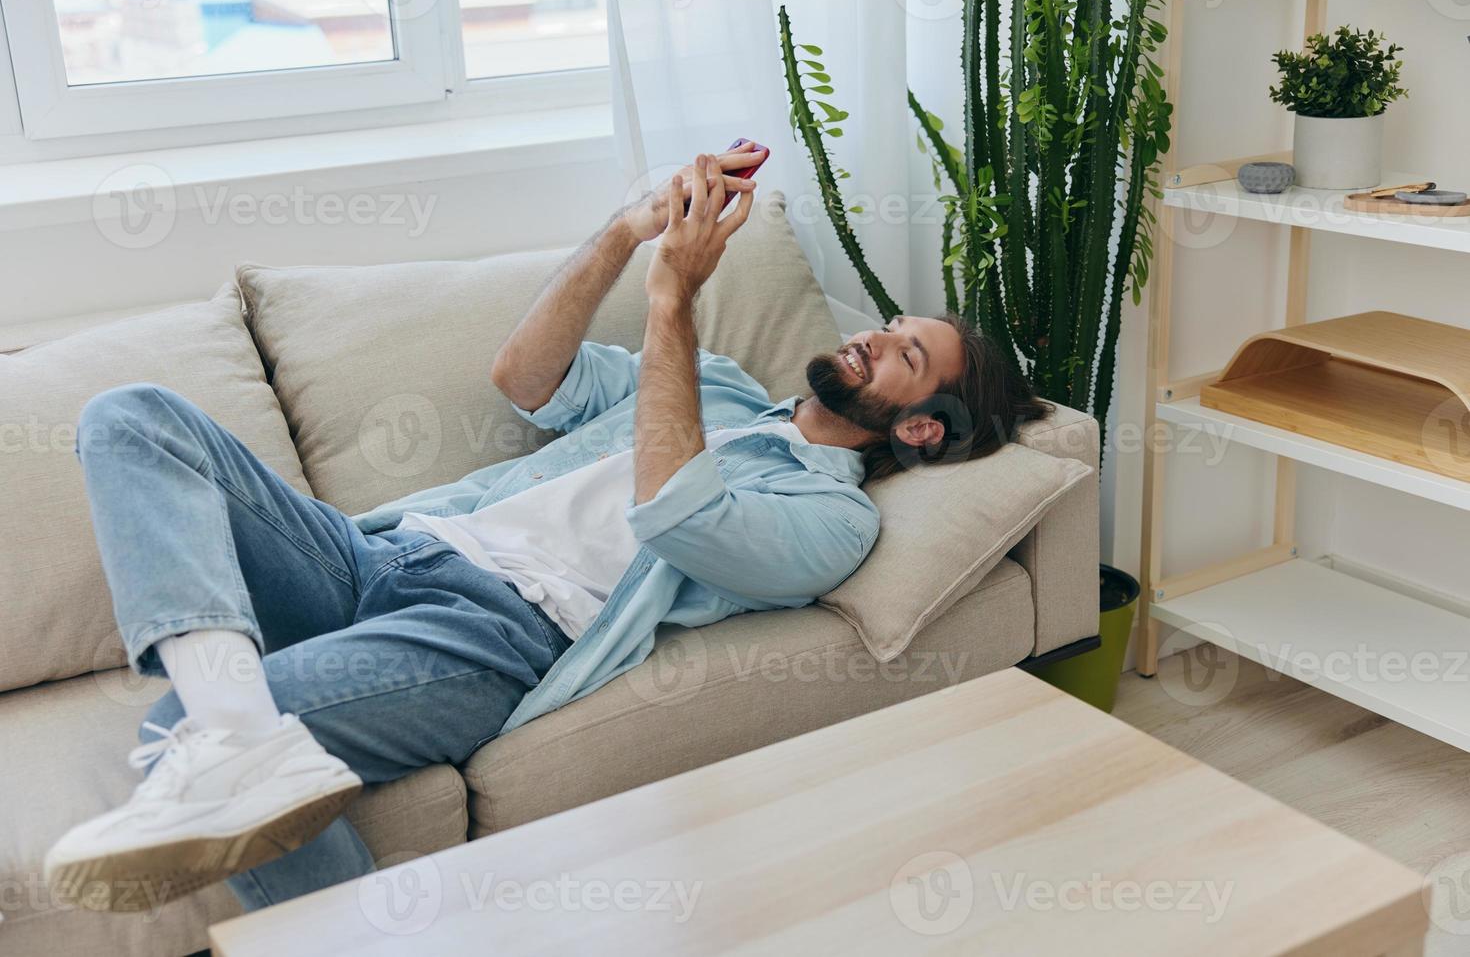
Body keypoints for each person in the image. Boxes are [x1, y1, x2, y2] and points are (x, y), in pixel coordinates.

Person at [44, 144, 1049, 914]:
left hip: (490, 628)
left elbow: (673, 502)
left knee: (173, 731)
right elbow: (526, 377)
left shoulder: (830, 520)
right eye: (890, 325)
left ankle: (234, 747)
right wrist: (627, 232)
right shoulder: (720, 386)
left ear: (919, 428)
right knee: (132, 416)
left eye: (906, 354)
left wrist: (674, 296)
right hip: (381, 551)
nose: (873, 336)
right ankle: (242, 736)